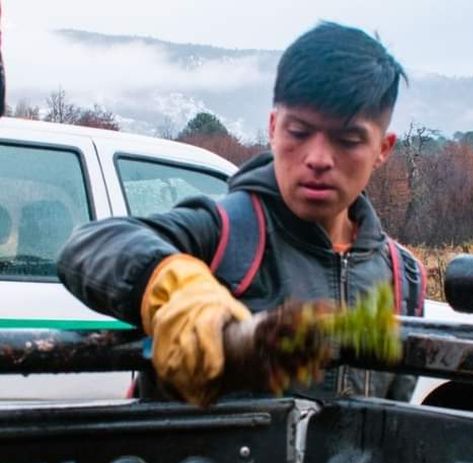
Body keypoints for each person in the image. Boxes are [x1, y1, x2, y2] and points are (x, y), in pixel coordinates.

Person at [58, 22, 426, 406]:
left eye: (348, 140)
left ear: (383, 149)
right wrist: (180, 288)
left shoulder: (404, 279)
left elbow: (392, 422)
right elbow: (89, 245)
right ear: (273, 128)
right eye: (299, 133)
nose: (318, 159)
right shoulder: (225, 233)